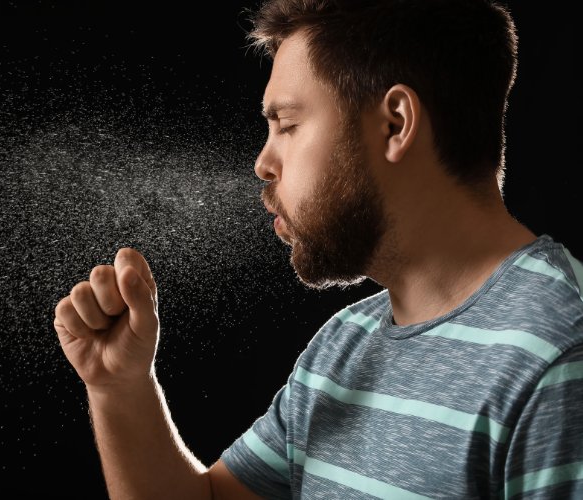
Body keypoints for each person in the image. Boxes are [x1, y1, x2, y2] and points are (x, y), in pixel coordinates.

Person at [53, 0, 583, 498]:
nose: (263, 163)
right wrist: (119, 388)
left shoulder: (558, 352)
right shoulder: (343, 347)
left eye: (287, 125)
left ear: (395, 124)